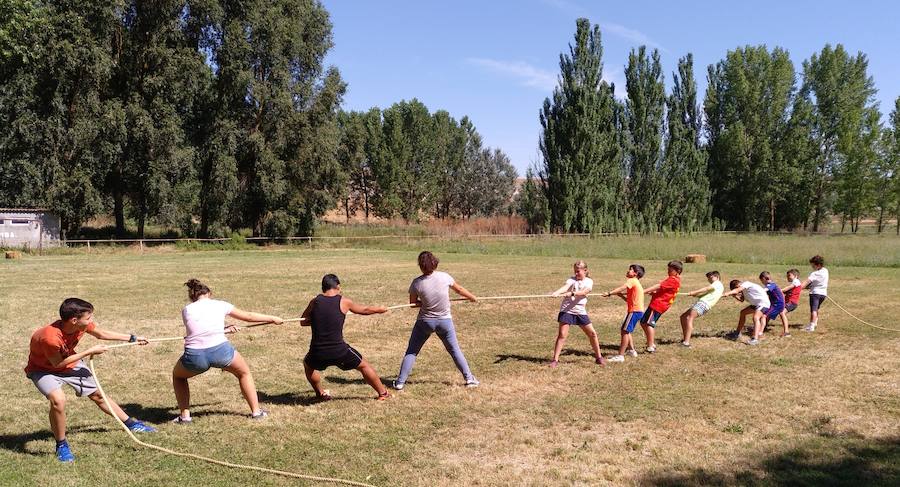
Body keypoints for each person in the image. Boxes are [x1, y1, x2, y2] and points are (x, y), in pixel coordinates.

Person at [25, 298, 156, 462]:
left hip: (69, 362)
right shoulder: (50, 337)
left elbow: (101, 334)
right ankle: (61, 444)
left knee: (98, 395)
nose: (91, 321)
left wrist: (132, 338)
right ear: (74, 320)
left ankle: (131, 424)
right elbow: (57, 363)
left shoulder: (81, 325)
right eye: (88, 318)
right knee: (58, 400)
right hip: (43, 370)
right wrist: (89, 352)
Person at [171, 279, 283, 423]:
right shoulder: (221, 304)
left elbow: (199, 331)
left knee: (178, 376)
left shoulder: (186, 310)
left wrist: (223, 329)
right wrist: (273, 318)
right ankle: (256, 412)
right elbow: (248, 317)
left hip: (195, 356)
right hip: (221, 351)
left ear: (192, 297)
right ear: (209, 293)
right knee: (244, 373)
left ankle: (185, 417)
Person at [394, 251, 479, 390]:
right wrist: (472, 297)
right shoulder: (445, 277)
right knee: (454, 350)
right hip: (444, 322)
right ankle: (469, 379)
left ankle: (400, 383)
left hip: (425, 322)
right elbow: (459, 289)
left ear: (420, 266)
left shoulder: (417, 283)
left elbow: (413, 303)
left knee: (412, 351)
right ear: (435, 263)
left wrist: (425, 302)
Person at [300, 274, 391, 400]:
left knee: (308, 366)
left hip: (317, 352)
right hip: (339, 351)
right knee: (364, 366)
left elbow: (303, 321)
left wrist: (319, 320)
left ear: (323, 288)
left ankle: (320, 393)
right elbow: (364, 310)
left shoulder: (315, 301)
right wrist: (379, 309)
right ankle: (383, 393)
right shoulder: (344, 301)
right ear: (338, 286)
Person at [549, 260, 605, 367]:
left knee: (592, 334)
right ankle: (555, 360)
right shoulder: (571, 280)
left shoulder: (589, 281)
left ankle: (599, 357)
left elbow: (584, 292)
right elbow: (565, 287)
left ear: (585, 271)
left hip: (580, 311)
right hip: (567, 310)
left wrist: (572, 293)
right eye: (575, 271)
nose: (576, 274)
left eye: (578, 271)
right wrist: (557, 292)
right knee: (562, 335)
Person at [604, 264, 646, 363]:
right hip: (637, 311)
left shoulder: (632, 281)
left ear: (636, 274)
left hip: (634, 311)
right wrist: (621, 296)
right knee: (627, 330)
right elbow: (630, 300)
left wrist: (609, 293)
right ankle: (631, 350)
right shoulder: (636, 282)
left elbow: (621, 288)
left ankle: (620, 356)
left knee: (624, 331)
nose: (628, 271)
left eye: (631, 270)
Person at [640, 260, 683, 353]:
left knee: (649, 324)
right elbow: (665, 290)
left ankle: (651, 346)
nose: (668, 272)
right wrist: (655, 293)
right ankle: (650, 342)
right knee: (643, 322)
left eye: (670, 270)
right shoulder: (673, 279)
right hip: (656, 303)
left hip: (658, 305)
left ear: (677, 271)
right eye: (668, 269)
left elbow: (659, 286)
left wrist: (643, 291)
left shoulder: (673, 280)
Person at [679, 270, 725, 347]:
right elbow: (705, 294)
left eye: (710, 277)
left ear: (717, 277)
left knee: (689, 318)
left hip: (703, 304)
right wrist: (695, 295)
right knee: (683, 317)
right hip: (702, 303)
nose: (709, 280)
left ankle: (686, 343)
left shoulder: (717, 283)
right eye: (708, 278)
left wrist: (693, 292)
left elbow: (706, 288)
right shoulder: (716, 286)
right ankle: (686, 338)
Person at [722, 280, 771, 345]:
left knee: (756, 318)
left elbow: (736, 290)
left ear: (738, 285)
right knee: (743, 313)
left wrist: (727, 293)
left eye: (736, 288)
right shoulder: (743, 290)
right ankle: (737, 333)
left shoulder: (746, 284)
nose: (738, 291)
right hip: (756, 304)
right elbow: (741, 300)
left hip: (763, 304)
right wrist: (735, 296)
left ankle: (755, 339)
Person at [800, 255, 829, 332]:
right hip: (823, 294)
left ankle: (811, 327)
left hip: (815, 293)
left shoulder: (814, 274)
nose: (812, 267)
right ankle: (814, 323)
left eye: (813, 265)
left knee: (813, 310)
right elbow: (817, 282)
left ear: (818, 265)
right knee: (816, 309)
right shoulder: (825, 270)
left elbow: (806, 282)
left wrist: (798, 288)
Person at [759, 271, 786, 335]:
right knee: (766, 315)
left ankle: (760, 332)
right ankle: (762, 327)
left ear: (764, 278)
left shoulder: (771, 285)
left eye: (762, 281)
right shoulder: (771, 284)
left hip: (777, 304)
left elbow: (764, 291)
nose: (762, 282)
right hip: (776, 303)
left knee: (764, 316)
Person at [777, 268, 803, 337]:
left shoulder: (796, 281)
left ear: (796, 276)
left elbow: (787, 288)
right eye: (787, 276)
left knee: (782, 312)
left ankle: (787, 332)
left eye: (789, 275)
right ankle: (763, 327)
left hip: (792, 303)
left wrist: (780, 290)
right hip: (787, 302)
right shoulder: (794, 283)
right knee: (772, 311)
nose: (787, 277)